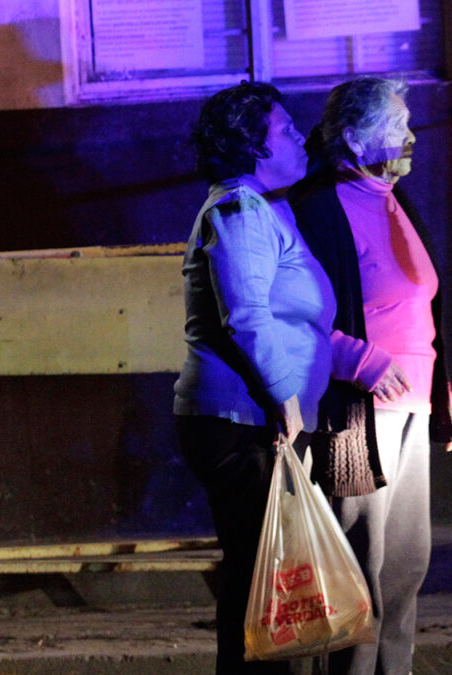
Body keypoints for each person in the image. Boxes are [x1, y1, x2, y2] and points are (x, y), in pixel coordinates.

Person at [290, 76, 452, 675]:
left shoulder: (393, 197)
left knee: (404, 566)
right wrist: (357, 360)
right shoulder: (316, 206)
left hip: (411, 407)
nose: (408, 137)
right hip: (356, 413)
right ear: (351, 137)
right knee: (357, 566)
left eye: (405, 124)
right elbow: (293, 313)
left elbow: (420, 309)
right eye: (393, 128)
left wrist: (439, 388)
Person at [173, 80, 332, 674]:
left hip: (254, 420)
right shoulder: (238, 211)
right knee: (257, 586)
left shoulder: (265, 207)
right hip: (243, 424)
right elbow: (246, 316)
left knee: (263, 585)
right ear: (254, 148)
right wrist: (288, 400)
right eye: (286, 131)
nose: (300, 139)